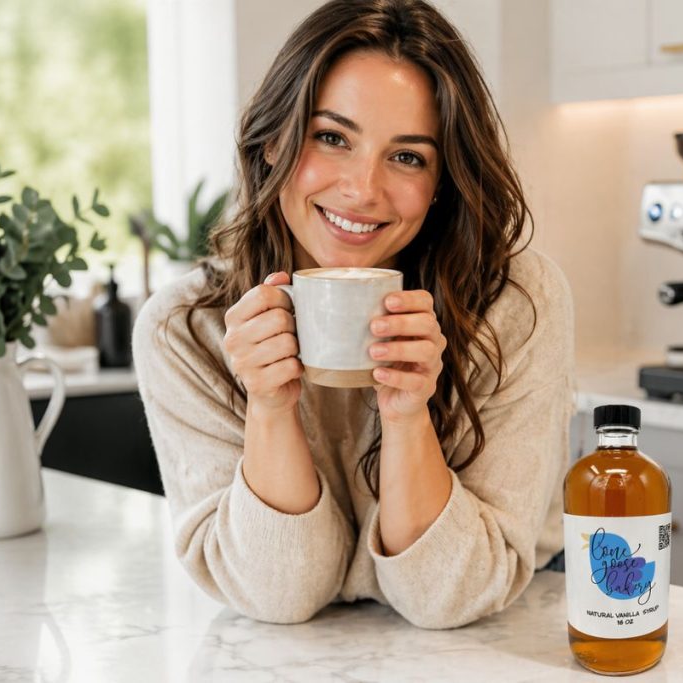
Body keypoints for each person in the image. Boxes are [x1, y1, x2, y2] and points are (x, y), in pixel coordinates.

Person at [132, 0, 574, 630]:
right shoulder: (184, 330)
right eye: (332, 137)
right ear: (272, 141)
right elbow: (277, 596)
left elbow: (452, 597)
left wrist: (407, 413)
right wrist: (270, 407)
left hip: (506, 634)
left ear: (442, 183)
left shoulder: (515, 302)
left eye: (408, 157)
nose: (363, 190)